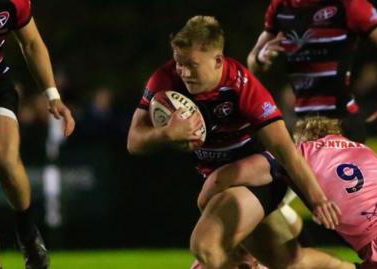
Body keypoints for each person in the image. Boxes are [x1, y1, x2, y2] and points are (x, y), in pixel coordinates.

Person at [127, 15, 353, 269]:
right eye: (179, 63)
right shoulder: (166, 79)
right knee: (289, 263)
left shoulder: (241, 86)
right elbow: (134, 141)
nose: (183, 72)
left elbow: (283, 148)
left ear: (217, 60)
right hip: (218, 186)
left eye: (191, 65)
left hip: (257, 179)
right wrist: (165, 134)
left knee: (206, 247)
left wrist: (317, 199)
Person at [199, 116, 377, 269]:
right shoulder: (362, 149)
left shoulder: (298, 154)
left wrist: (206, 203)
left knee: (295, 262)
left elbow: (227, 176)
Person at [0, 0, 75, 268]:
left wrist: (52, 95)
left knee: (3, 158)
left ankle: (27, 234)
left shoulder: (10, 3)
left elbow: (31, 43)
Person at [247, 0, 377, 142]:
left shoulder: (348, 5)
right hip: (302, 127)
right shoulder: (280, 6)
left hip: (342, 124)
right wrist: (260, 59)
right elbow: (252, 62)